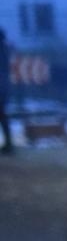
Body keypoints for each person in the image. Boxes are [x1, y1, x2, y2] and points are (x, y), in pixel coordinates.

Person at [0, 26, 12, 154]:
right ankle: (9, 143)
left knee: (2, 114)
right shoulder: (5, 48)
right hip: (4, 85)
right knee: (2, 114)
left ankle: (9, 144)